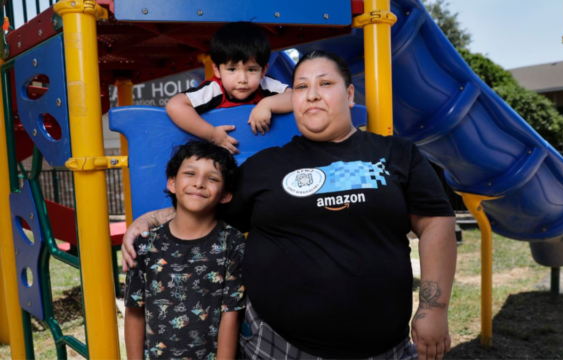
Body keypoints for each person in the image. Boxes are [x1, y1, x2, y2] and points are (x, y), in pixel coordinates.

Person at [123, 50, 457, 360]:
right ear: (292, 98)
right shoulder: (265, 166)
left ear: (350, 95)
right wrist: (150, 219)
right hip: (278, 345)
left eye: (325, 84)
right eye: (301, 87)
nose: (312, 94)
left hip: (384, 346)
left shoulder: (398, 153)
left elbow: (435, 223)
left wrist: (434, 310)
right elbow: (209, 209)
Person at [124, 140, 246, 360]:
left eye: (212, 178)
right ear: (172, 182)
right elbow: (134, 312)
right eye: (190, 173)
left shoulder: (233, 242)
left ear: (226, 194)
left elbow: (232, 314)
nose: (199, 183)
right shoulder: (144, 244)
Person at [166, 21, 293, 154]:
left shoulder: (265, 85)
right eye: (232, 69)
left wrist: (267, 104)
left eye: (251, 70)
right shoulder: (214, 89)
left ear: (263, 70)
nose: (242, 80)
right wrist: (212, 134)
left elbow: (296, 96)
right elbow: (175, 105)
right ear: (217, 69)